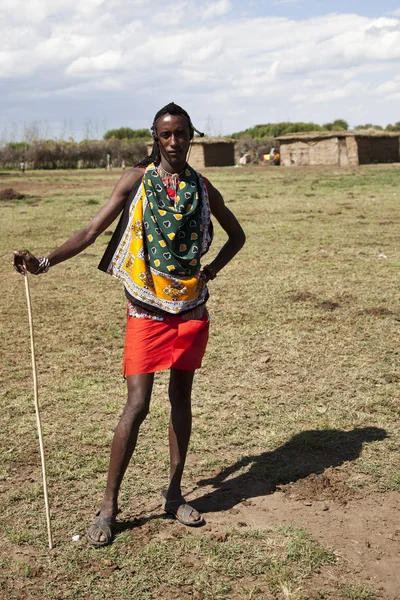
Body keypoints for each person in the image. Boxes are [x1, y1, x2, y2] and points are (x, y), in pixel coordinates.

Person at [12, 102, 245, 547]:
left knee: (181, 399)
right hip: (145, 309)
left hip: (191, 309)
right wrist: (43, 262)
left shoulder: (202, 187)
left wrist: (209, 271)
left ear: (192, 136)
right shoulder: (137, 181)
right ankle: (108, 508)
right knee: (136, 405)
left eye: (181, 134)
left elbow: (238, 235)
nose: (173, 142)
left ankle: (174, 496)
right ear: (154, 138)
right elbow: (92, 231)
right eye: (165, 134)